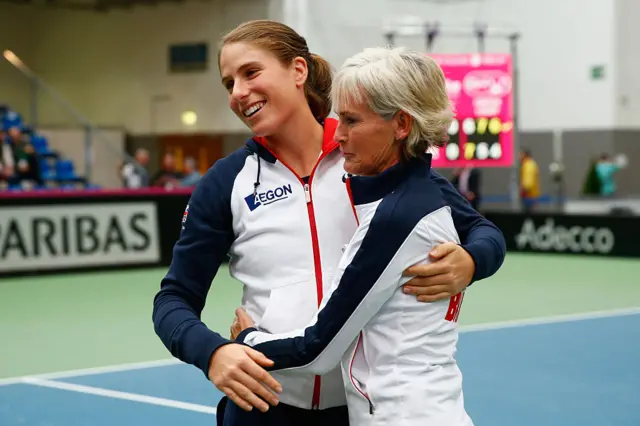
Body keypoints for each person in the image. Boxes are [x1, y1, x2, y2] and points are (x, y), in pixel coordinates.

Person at [152, 19, 506, 426]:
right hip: (263, 404)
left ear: (298, 70)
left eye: (251, 73)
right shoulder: (226, 181)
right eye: (229, 83)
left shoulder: (369, 150)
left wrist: (472, 262)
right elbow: (172, 299)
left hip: (357, 409)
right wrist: (212, 352)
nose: (239, 93)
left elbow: (483, 231)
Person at [230, 45, 476, 426]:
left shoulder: (395, 218)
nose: (338, 135)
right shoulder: (426, 197)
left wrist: (247, 341)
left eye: (351, 121)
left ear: (401, 125)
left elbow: (318, 349)